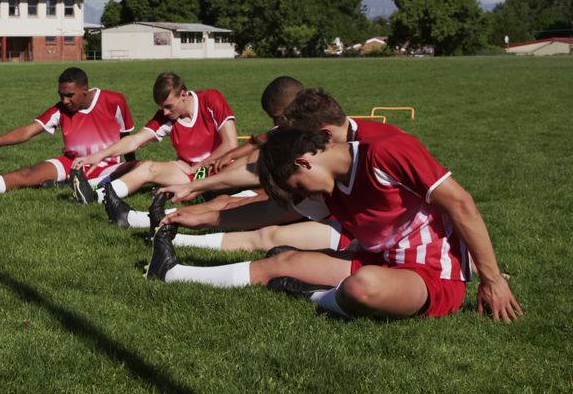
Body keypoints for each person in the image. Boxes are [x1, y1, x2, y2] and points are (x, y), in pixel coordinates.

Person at [146, 128, 523, 322]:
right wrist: (201, 217)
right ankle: (173, 274)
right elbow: (265, 214)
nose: (298, 195)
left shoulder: (386, 153)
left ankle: (316, 297)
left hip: (435, 277)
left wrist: (492, 279)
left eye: (295, 186)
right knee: (284, 261)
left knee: (364, 287)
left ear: (305, 162)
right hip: (380, 260)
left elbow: (461, 203)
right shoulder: (325, 185)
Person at [154, 88, 405, 254]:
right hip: (337, 215)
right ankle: (160, 226)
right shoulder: (302, 138)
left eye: (279, 118)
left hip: (371, 234)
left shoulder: (378, 145)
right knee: (242, 210)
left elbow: (437, 194)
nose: (277, 125)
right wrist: (194, 186)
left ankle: (168, 237)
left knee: (265, 232)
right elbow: (254, 165)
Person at [103, 76, 302, 230]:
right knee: (224, 202)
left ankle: (150, 223)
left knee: (250, 223)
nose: (275, 125)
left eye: (277, 118)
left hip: (309, 206)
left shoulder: (314, 135)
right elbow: (262, 139)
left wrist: (198, 181)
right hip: (204, 173)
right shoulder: (295, 125)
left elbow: (247, 152)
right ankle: (132, 214)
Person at [0, 67, 133, 196]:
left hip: (106, 166)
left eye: (70, 95)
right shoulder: (60, 110)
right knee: (28, 174)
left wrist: (132, 164)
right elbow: (27, 131)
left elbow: (128, 139)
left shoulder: (114, 101)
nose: (65, 100)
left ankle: (76, 186)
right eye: (61, 95)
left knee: (136, 172)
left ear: (84, 90)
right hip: (72, 163)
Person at [69, 72, 238, 205]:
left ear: (183, 95)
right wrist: (100, 155)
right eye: (161, 107)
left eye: (168, 106)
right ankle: (95, 197)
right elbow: (134, 141)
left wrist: (198, 166)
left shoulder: (210, 99)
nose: (164, 112)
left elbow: (230, 144)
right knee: (148, 168)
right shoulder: (167, 117)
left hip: (220, 167)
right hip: (188, 171)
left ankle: (204, 191)